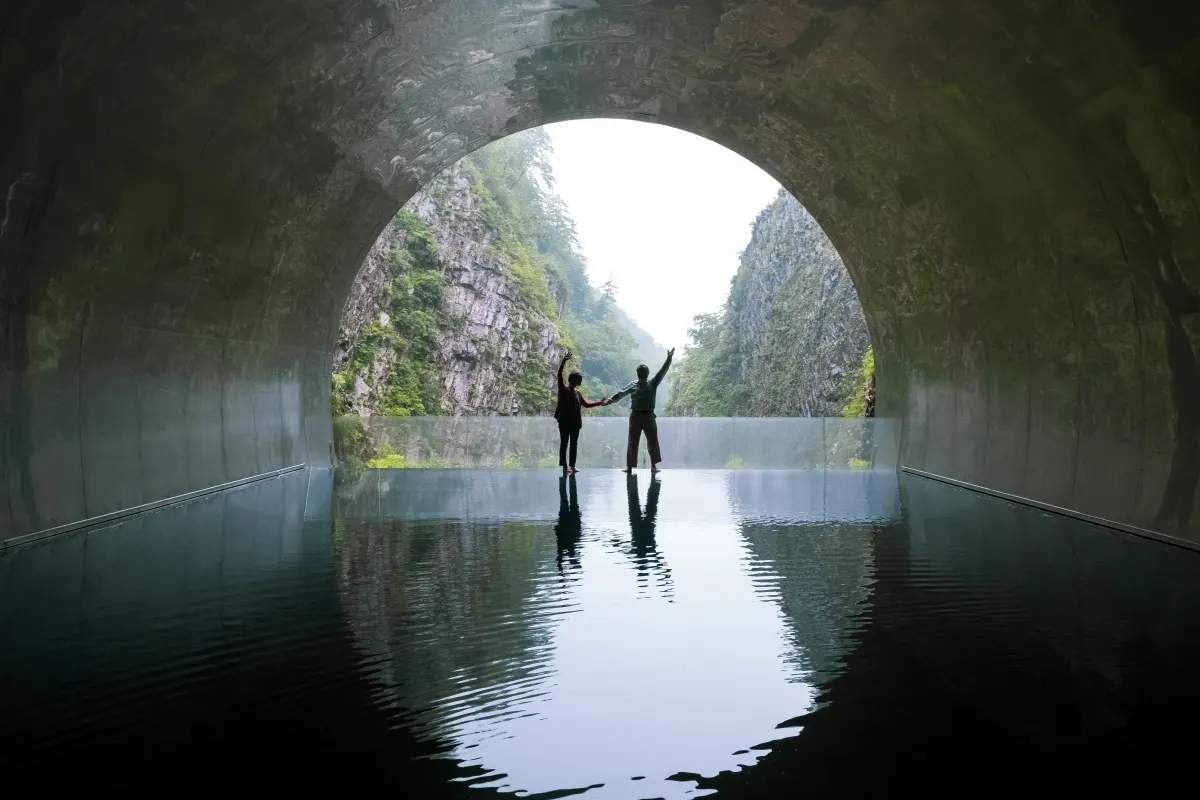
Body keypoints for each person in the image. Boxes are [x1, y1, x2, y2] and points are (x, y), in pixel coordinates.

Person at [606, 348, 674, 473]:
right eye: (641, 371)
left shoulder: (652, 383)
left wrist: (669, 359)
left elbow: (662, 372)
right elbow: (621, 394)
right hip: (636, 416)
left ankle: (653, 466)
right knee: (633, 441)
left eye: (643, 371)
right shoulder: (634, 385)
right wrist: (610, 400)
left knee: (652, 441)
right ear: (639, 373)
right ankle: (630, 466)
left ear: (646, 373)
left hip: (649, 416)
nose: (642, 373)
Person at [554, 351, 607, 476]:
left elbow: (586, 404)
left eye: (578, 381)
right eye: (575, 380)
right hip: (564, 422)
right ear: (570, 380)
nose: (576, 382)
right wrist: (563, 361)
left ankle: (572, 466)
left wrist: (600, 402)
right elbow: (559, 376)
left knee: (573, 444)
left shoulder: (577, 393)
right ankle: (565, 466)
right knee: (564, 444)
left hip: (575, 423)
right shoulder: (564, 389)